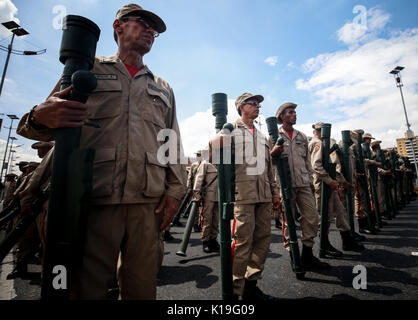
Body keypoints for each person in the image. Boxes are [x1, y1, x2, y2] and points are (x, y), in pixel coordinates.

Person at [16, 3, 186, 300]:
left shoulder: (162, 87)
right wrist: (39, 116)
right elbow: (38, 126)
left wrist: (175, 191)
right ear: (118, 27)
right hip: (95, 201)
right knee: (86, 289)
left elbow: (171, 141)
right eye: (143, 22)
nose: (150, 30)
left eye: (155, 29)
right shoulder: (86, 69)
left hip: (147, 205)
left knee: (142, 289)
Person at [215, 92, 281, 300]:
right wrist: (215, 145)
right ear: (241, 107)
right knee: (243, 243)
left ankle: (251, 287)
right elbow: (215, 160)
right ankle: (235, 290)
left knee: (262, 241)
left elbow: (269, 169)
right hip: (242, 195)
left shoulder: (262, 136)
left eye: (258, 104)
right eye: (252, 103)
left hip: (263, 195)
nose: (257, 106)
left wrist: (274, 192)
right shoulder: (230, 130)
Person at [271, 103, 330, 271]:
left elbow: (307, 163)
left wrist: (311, 181)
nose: (294, 114)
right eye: (290, 112)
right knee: (289, 222)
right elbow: (269, 162)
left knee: (312, 217)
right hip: (285, 185)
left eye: (295, 112)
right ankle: (294, 257)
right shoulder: (274, 135)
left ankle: (307, 255)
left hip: (303, 183)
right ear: (282, 116)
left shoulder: (302, 136)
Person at [309, 123, 364, 255]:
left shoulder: (321, 143)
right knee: (325, 216)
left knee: (340, 212)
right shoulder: (318, 143)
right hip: (323, 184)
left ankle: (347, 241)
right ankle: (324, 244)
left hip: (329, 183)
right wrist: (330, 180)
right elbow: (316, 166)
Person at [193, 157, 219, 253]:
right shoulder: (206, 163)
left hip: (219, 196)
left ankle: (213, 239)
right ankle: (205, 241)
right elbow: (199, 178)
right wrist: (197, 194)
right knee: (207, 219)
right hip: (208, 195)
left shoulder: (224, 163)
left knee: (216, 220)